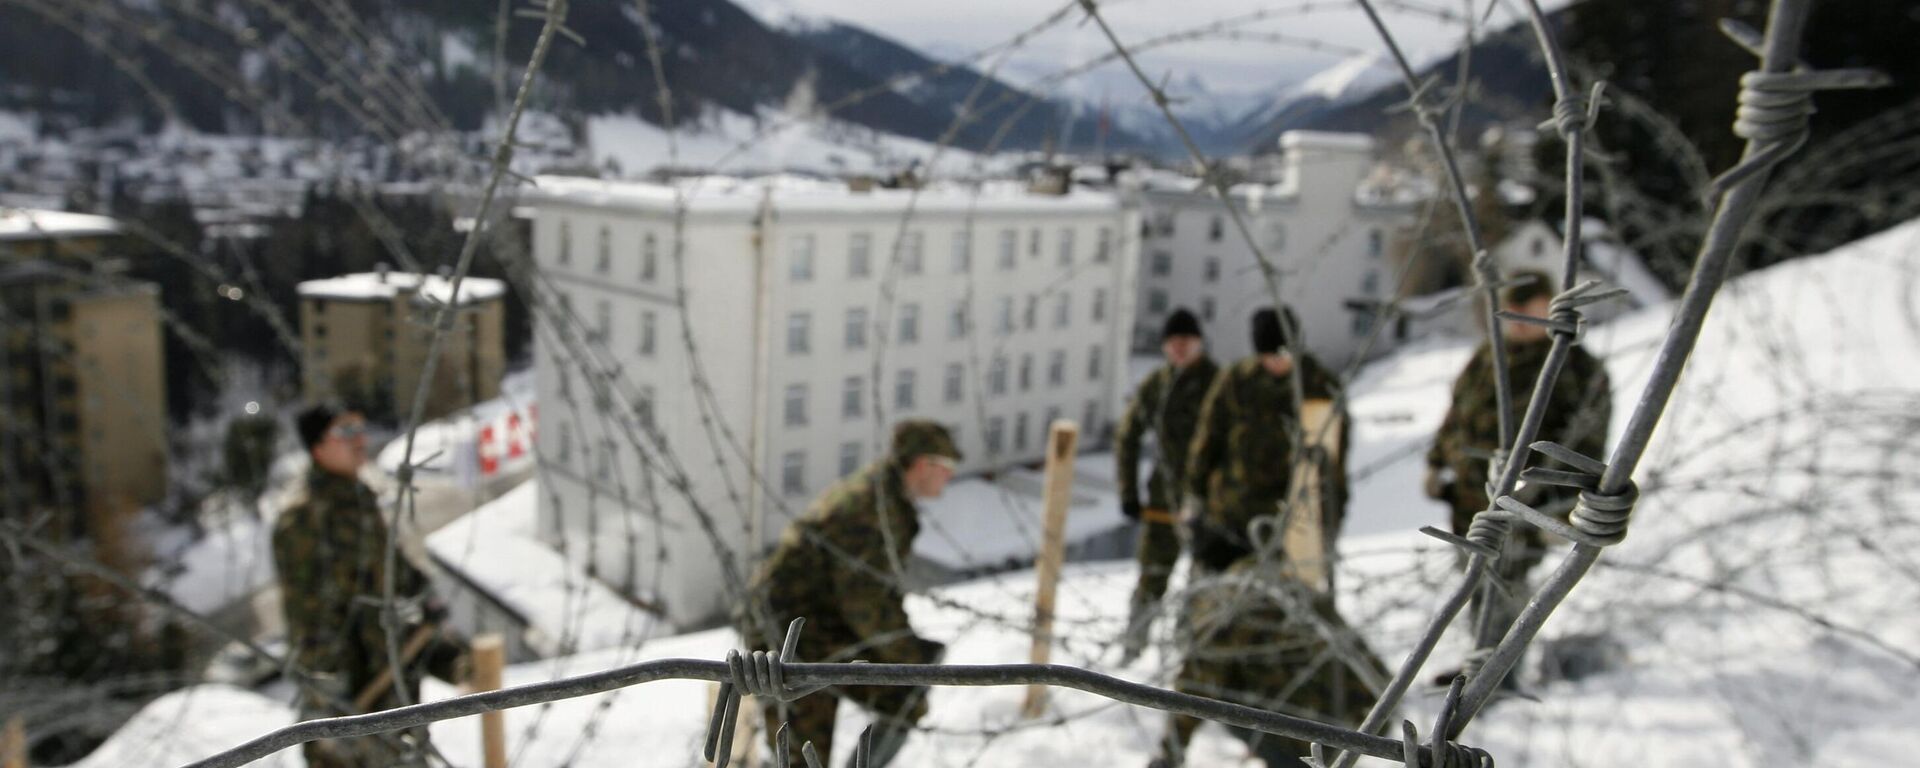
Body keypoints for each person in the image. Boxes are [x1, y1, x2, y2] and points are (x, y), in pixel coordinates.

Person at [1153, 308, 1380, 767]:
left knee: (1278, 630)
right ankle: (1202, 713)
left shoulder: (1318, 390)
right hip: (1225, 525)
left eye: (1281, 356)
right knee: (1210, 626)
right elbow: (1207, 441)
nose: (1275, 365)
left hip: (1289, 535)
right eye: (1267, 357)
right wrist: (1195, 504)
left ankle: (1280, 724)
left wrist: (1325, 535)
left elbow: (1332, 473)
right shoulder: (1239, 379)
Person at [742, 420, 961, 768]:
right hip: (789, 634)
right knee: (803, 755)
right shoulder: (872, 509)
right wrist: (910, 655)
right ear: (923, 464)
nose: (949, 477)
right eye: (946, 467)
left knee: (903, 698)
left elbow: (874, 594)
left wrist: (909, 655)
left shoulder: (886, 500)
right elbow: (865, 602)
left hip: (825, 627)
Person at [1425, 271, 1612, 661]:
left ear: (1549, 306)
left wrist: (1562, 508)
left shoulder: (1573, 368)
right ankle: (1476, 663)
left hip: (1527, 508)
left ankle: (1499, 671)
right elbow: (1458, 410)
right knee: (1475, 583)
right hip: (1470, 500)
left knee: (1507, 587)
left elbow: (1585, 445)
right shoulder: (1488, 356)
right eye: (1513, 310)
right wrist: (1436, 462)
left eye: (1527, 308)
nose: (1518, 318)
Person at [274, 403, 469, 768]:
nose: (360, 439)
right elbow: (311, 621)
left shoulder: (361, 503)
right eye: (345, 431)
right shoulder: (302, 521)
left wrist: (432, 617)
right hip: (354, 704)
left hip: (389, 695)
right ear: (318, 447)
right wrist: (331, 700)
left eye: (361, 428)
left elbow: (395, 579)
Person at [1114, 308, 1219, 663]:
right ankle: (1133, 652)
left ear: (1199, 343)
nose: (1178, 350)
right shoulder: (1158, 383)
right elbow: (1128, 435)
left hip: (1207, 502)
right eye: (1172, 344)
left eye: (1185, 343)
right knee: (1151, 580)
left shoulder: (1219, 383)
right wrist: (1128, 491)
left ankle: (1184, 656)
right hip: (1162, 498)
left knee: (1199, 585)